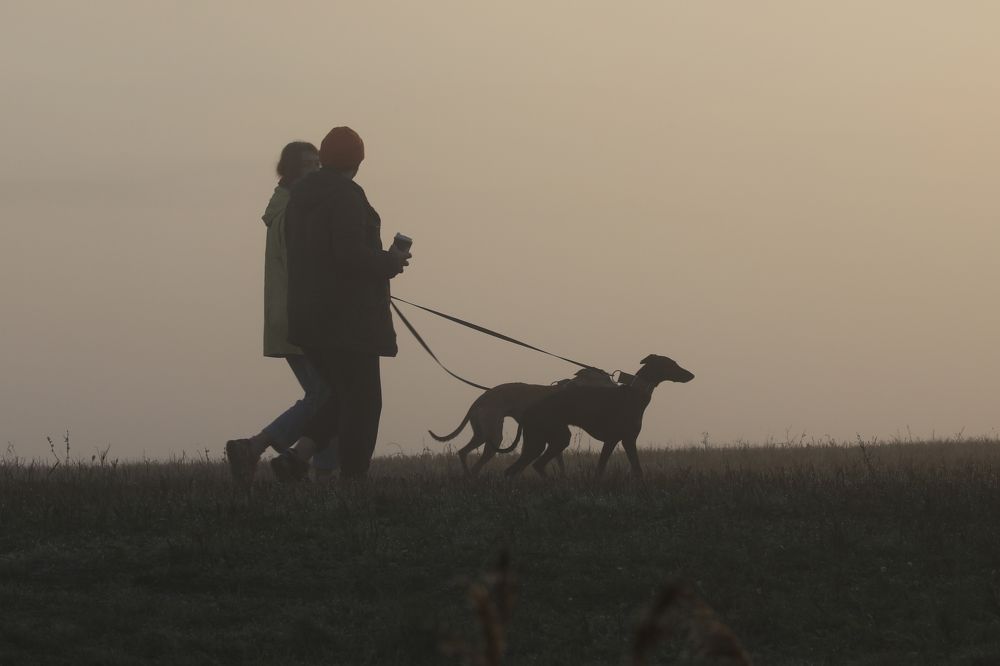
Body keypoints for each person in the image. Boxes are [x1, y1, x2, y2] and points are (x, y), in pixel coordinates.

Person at [270, 126, 411, 481]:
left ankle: (297, 457)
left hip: (307, 319)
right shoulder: (346, 196)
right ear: (358, 161)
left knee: (343, 395)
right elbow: (348, 254)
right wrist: (390, 262)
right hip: (347, 323)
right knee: (364, 402)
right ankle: (353, 478)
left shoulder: (299, 198)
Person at [225, 141, 339, 482]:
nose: (316, 170)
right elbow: (306, 268)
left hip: (289, 316)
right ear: (290, 171)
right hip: (301, 317)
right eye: (309, 164)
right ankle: (295, 460)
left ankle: (265, 451)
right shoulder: (294, 213)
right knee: (329, 397)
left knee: (324, 396)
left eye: (318, 163)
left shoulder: (286, 209)